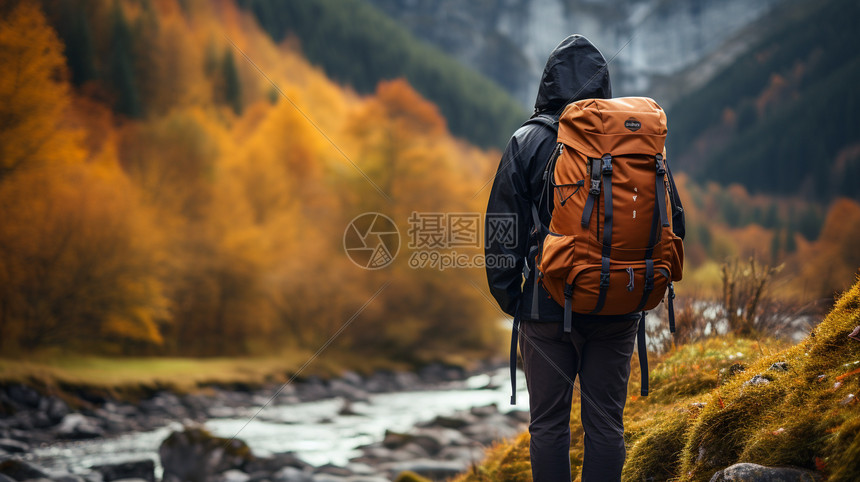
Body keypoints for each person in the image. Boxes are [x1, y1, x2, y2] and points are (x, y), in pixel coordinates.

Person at [484, 35, 640, 481]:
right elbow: (671, 222)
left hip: (545, 308)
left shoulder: (528, 140)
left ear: (548, 82)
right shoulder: (633, 138)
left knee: (549, 426)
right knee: (606, 425)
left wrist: (512, 298)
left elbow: (503, 229)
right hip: (617, 303)